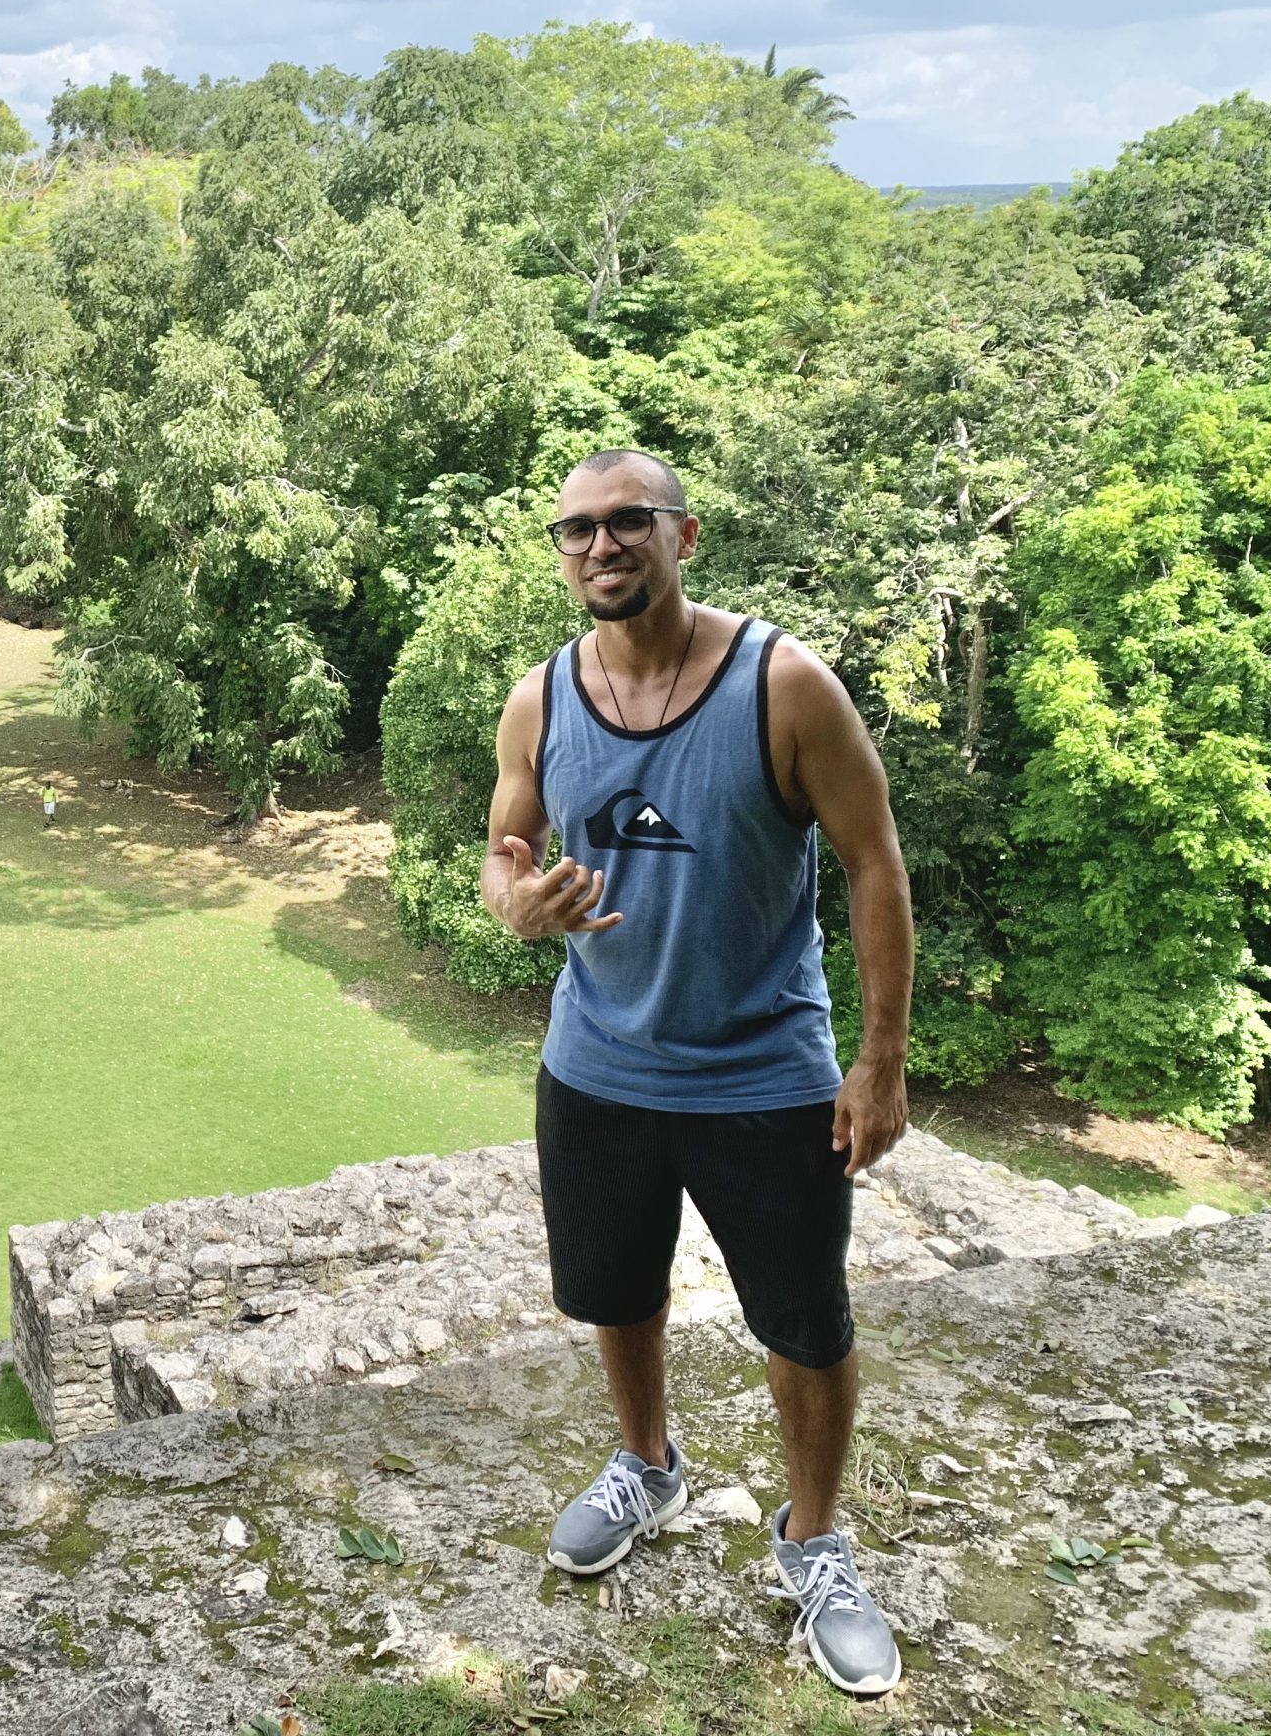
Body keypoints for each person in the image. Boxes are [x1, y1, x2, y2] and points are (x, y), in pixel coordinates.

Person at [480, 449, 914, 1698]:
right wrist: (520, 908)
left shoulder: (783, 685)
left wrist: (879, 1062)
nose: (599, 547)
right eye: (574, 530)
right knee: (617, 1293)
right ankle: (647, 1465)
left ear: (684, 535)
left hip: (764, 1074)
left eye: (627, 524)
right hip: (597, 1066)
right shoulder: (538, 699)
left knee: (803, 1321)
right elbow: (503, 853)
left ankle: (814, 1542)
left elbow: (875, 866)